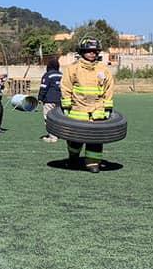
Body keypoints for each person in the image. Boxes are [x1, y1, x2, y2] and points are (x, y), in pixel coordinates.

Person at [61, 36, 115, 173]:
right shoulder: (72, 69)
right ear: (82, 52)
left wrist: (108, 108)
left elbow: (109, 89)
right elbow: (66, 87)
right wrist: (66, 107)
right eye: (89, 51)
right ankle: (73, 157)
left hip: (98, 111)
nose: (92, 53)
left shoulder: (103, 70)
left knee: (95, 140)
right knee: (75, 140)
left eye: (95, 51)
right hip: (78, 110)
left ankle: (93, 164)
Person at [38, 59, 62, 142]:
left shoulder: (48, 75)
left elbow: (43, 88)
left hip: (49, 100)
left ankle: (52, 136)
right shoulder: (61, 75)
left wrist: (40, 98)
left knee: (48, 118)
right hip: (60, 100)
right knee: (58, 118)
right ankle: (59, 134)